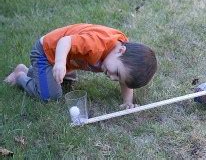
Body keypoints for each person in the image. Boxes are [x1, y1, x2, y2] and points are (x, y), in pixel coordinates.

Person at [4, 23, 157, 109]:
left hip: (67, 60)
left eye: (117, 78)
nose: (112, 77)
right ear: (121, 51)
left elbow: (126, 79)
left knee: (65, 81)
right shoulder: (96, 44)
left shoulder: (122, 54)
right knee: (50, 96)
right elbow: (65, 42)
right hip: (47, 53)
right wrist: (59, 63)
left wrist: (128, 102)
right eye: (116, 72)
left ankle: (35, 73)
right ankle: (21, 76)